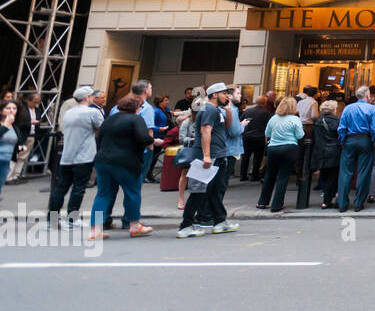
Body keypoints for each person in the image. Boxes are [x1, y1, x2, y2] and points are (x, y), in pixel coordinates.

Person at [89, 95, 162, 240]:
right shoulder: (136, 119)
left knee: (102, 194)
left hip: (103, 160)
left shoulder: (109, 119)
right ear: (136, 108)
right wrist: (154, 141)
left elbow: (100, 138)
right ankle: (134, 225)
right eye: (140, 107)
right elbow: (143, 137)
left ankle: (95, 230)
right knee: (132, 192)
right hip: (126, 162)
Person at [177, 83, 239, 237]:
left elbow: (227, 127)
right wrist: (206, 155)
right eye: (224, 93)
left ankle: (220, 222)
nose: (227, 96)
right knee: (199, 191)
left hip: (217, 155)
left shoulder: (216, 110)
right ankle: (186, 225)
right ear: (214, 95)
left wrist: (229, 110)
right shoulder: (209, 109)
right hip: (209, 156)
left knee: (215, 190)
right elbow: (205, 131)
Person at [48, 86, 101, 226]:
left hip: (67, 155)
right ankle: (72, 218)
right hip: (84, 156)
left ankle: (52, 219)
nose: (93, 98)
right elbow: (101, 129)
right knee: (78, 188)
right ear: (86, 98)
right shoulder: (92, 112)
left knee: (61, 187)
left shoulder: (69, 113)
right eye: (91, 96)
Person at [256, 96, 304, 213]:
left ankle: (262, 202)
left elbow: (267, 133)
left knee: (269, 175)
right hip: (289, 148)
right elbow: (300, 135)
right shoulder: (295, 119)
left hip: (273, 148)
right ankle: (277, 204)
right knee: (283, 176)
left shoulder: (274, 118)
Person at [336, 86, 375, 213]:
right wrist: (374, 141)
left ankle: (343, 204)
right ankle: (358, 203)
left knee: (345, 172)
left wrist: (342, 140)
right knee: (363, 172)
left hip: (349, 140)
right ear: (367, 96)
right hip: (365, 140)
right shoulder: (372, 109)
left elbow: (342, 127)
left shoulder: (348, 108)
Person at [312, 99, 341, 208]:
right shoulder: (337, 121)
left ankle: (326, 198)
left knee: (324, 175)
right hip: (334, 151)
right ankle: (327, 200)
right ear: (334, 110)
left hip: (321, 151)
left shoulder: (317, 121)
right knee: (333, 177)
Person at [239, 95, 271, 182]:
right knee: (258, 157)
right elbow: (269, 126)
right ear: (264, 103)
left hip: (247, 137)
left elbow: (241, 122)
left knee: (245, 157)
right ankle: (254, 175)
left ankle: (243, 175)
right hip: (259, 138)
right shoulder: (266, 113)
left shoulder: (248, 111)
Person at [0, 100, 17, 190]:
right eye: (8, 108)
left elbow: (16, 141)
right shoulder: (5, 124)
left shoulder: (14, 126)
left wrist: (20, 147)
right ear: (1, 110)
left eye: (14, 108)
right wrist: (5, 125)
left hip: (6, 160)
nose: (11, 110)